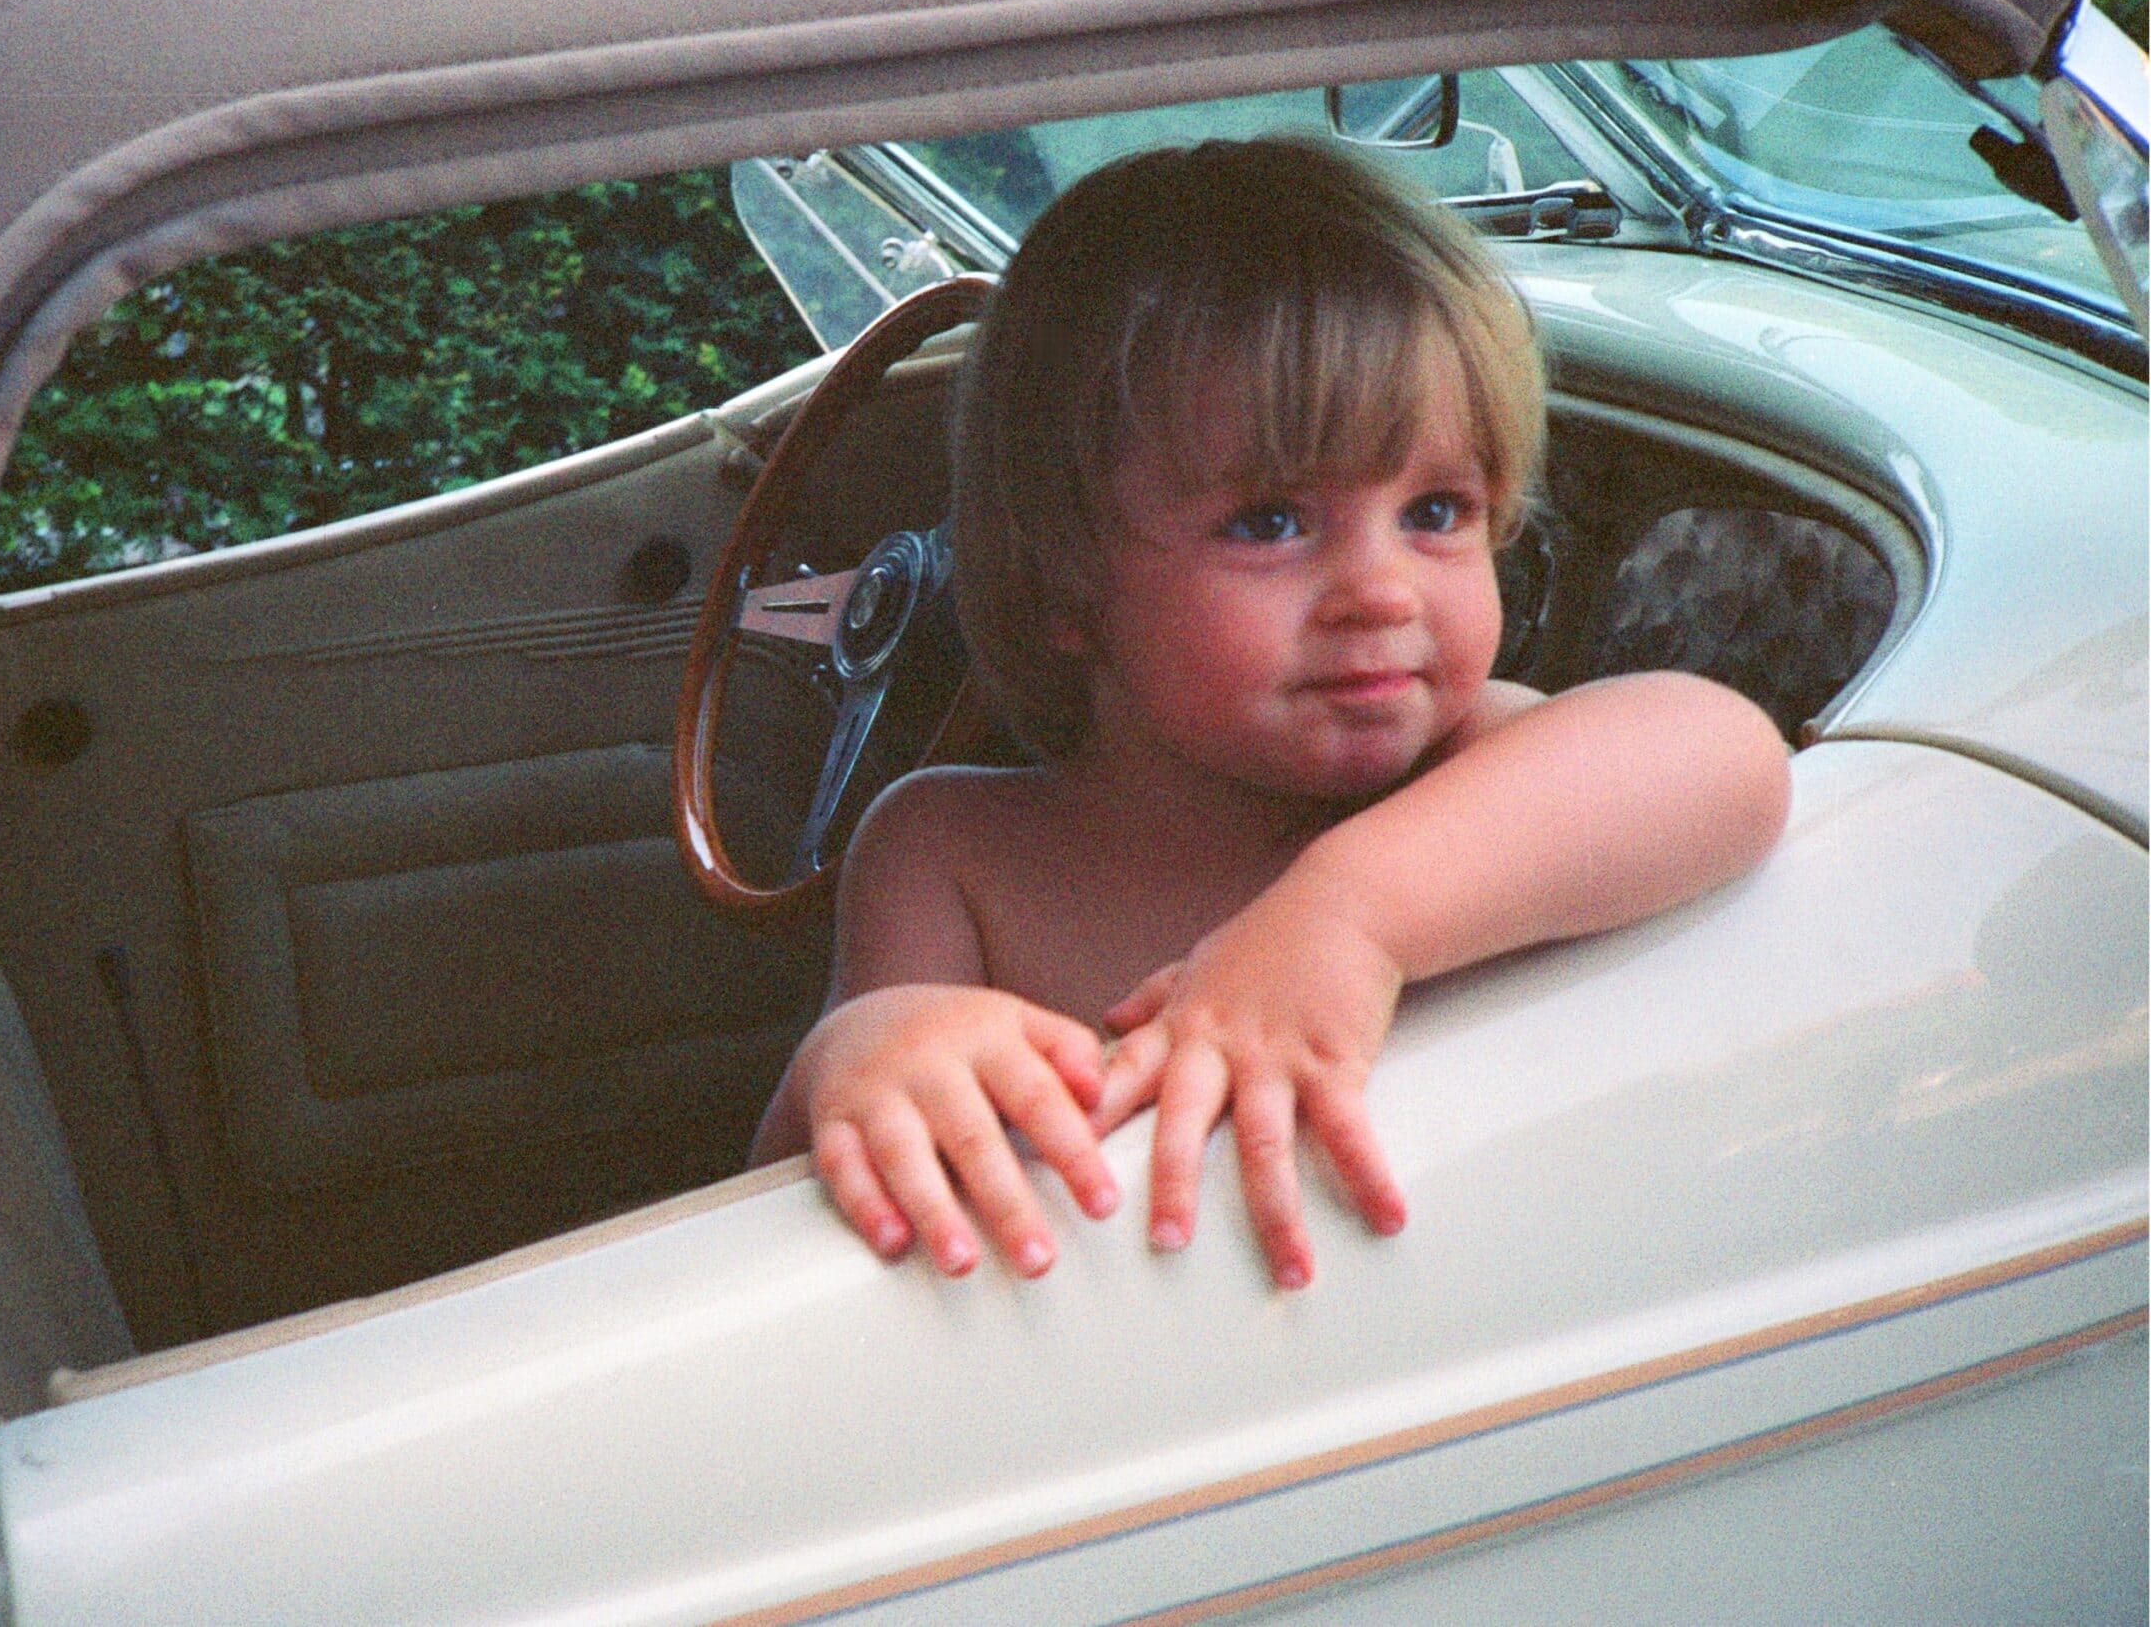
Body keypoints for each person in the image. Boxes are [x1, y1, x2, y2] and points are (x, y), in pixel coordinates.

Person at [750, 136, 1791, 1291]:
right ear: (1063, 588)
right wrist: (859, 1057)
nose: (1382, 592)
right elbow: (762, 1239)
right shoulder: (949, 852)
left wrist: (1347, 919)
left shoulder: (1474, 770)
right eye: (1269, 523)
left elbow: (1725, 755)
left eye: (1436, 510)